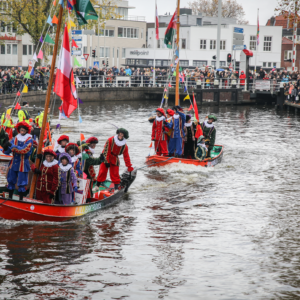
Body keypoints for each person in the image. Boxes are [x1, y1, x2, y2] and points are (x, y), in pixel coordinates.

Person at [4, 121, 33, 200]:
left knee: (22, 182)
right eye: (21, 129)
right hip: (14, 163)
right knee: (11, 180)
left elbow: (23, 150)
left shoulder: (29, 139)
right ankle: (9, 198)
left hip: (23, 163)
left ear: (26, 130)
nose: (22, 131)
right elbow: (8, 151)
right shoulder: (16, 137)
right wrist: (5, 146)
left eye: (23, 130)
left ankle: (21, 199)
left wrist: (12, 146)